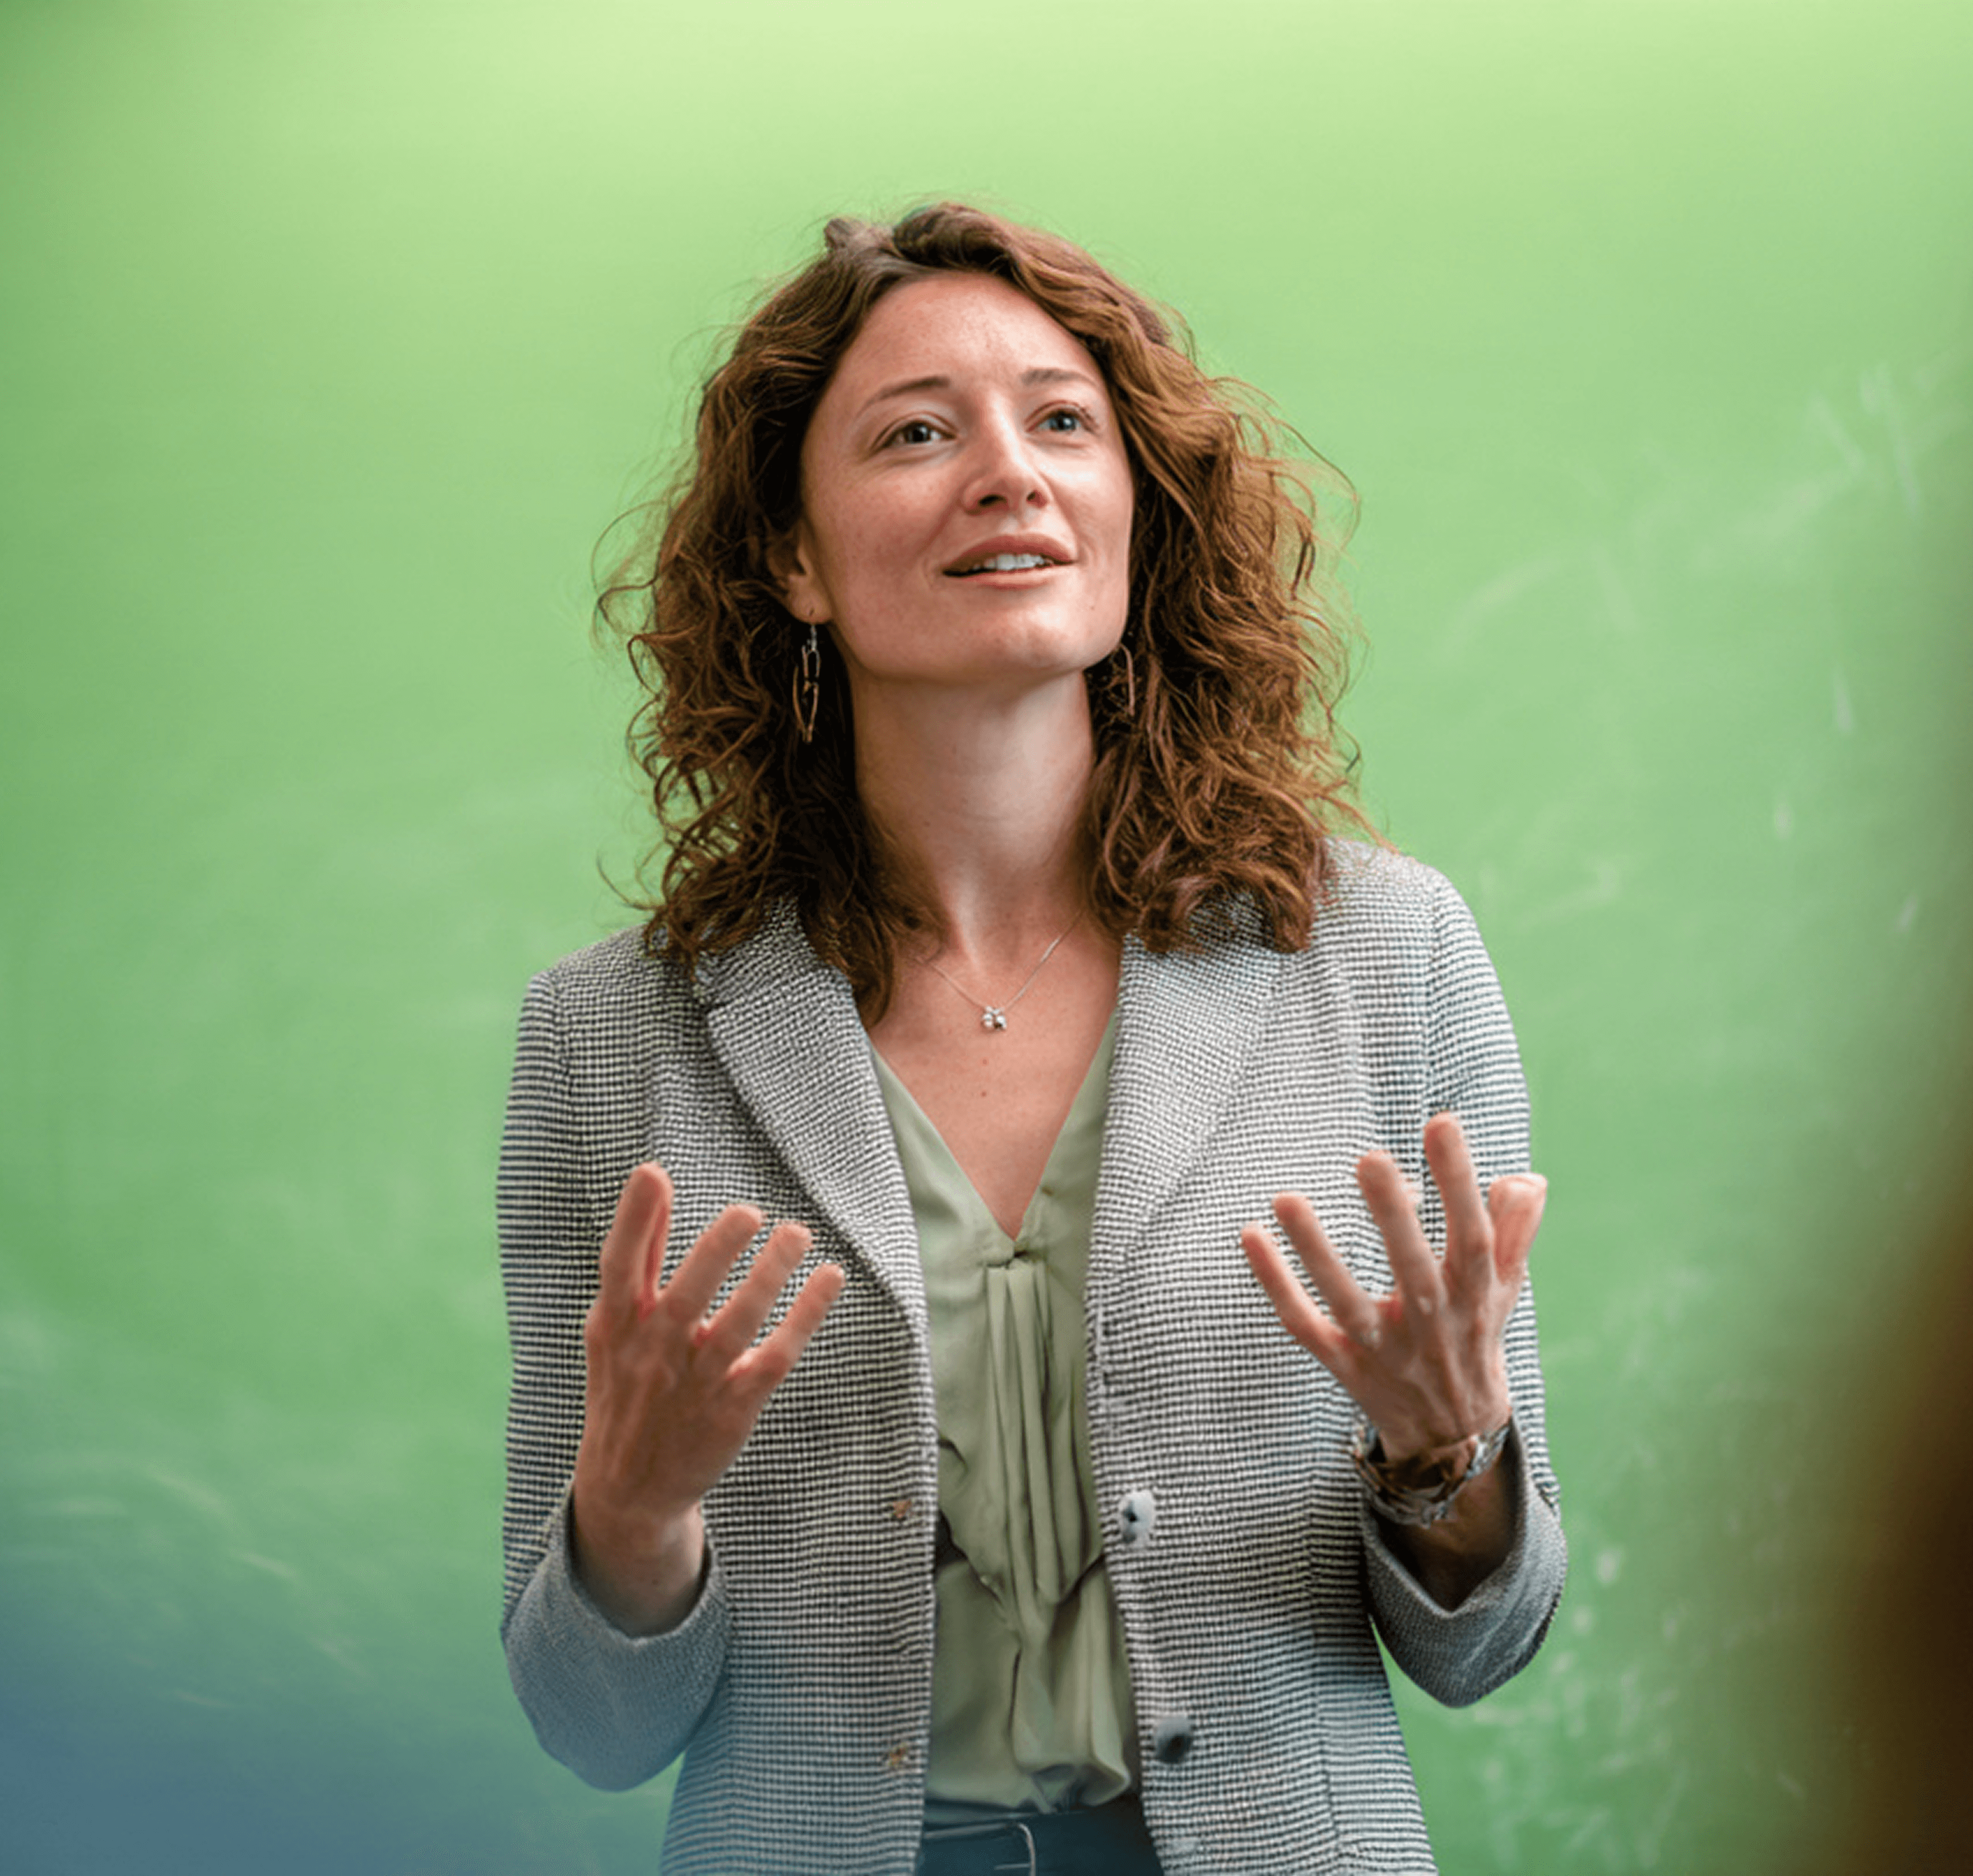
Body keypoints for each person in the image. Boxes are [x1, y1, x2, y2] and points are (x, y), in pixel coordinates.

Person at [498, 203, 1564, 1876]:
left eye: (1063, 420)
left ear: (1134, 507)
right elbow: (591, 1725)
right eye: (918, 432)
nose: (1010, 472)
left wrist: (1446, 1456)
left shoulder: (1382, 948)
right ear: (794, 558)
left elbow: (1485, 1640)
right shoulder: (607, 1034)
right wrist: (631, 1516)